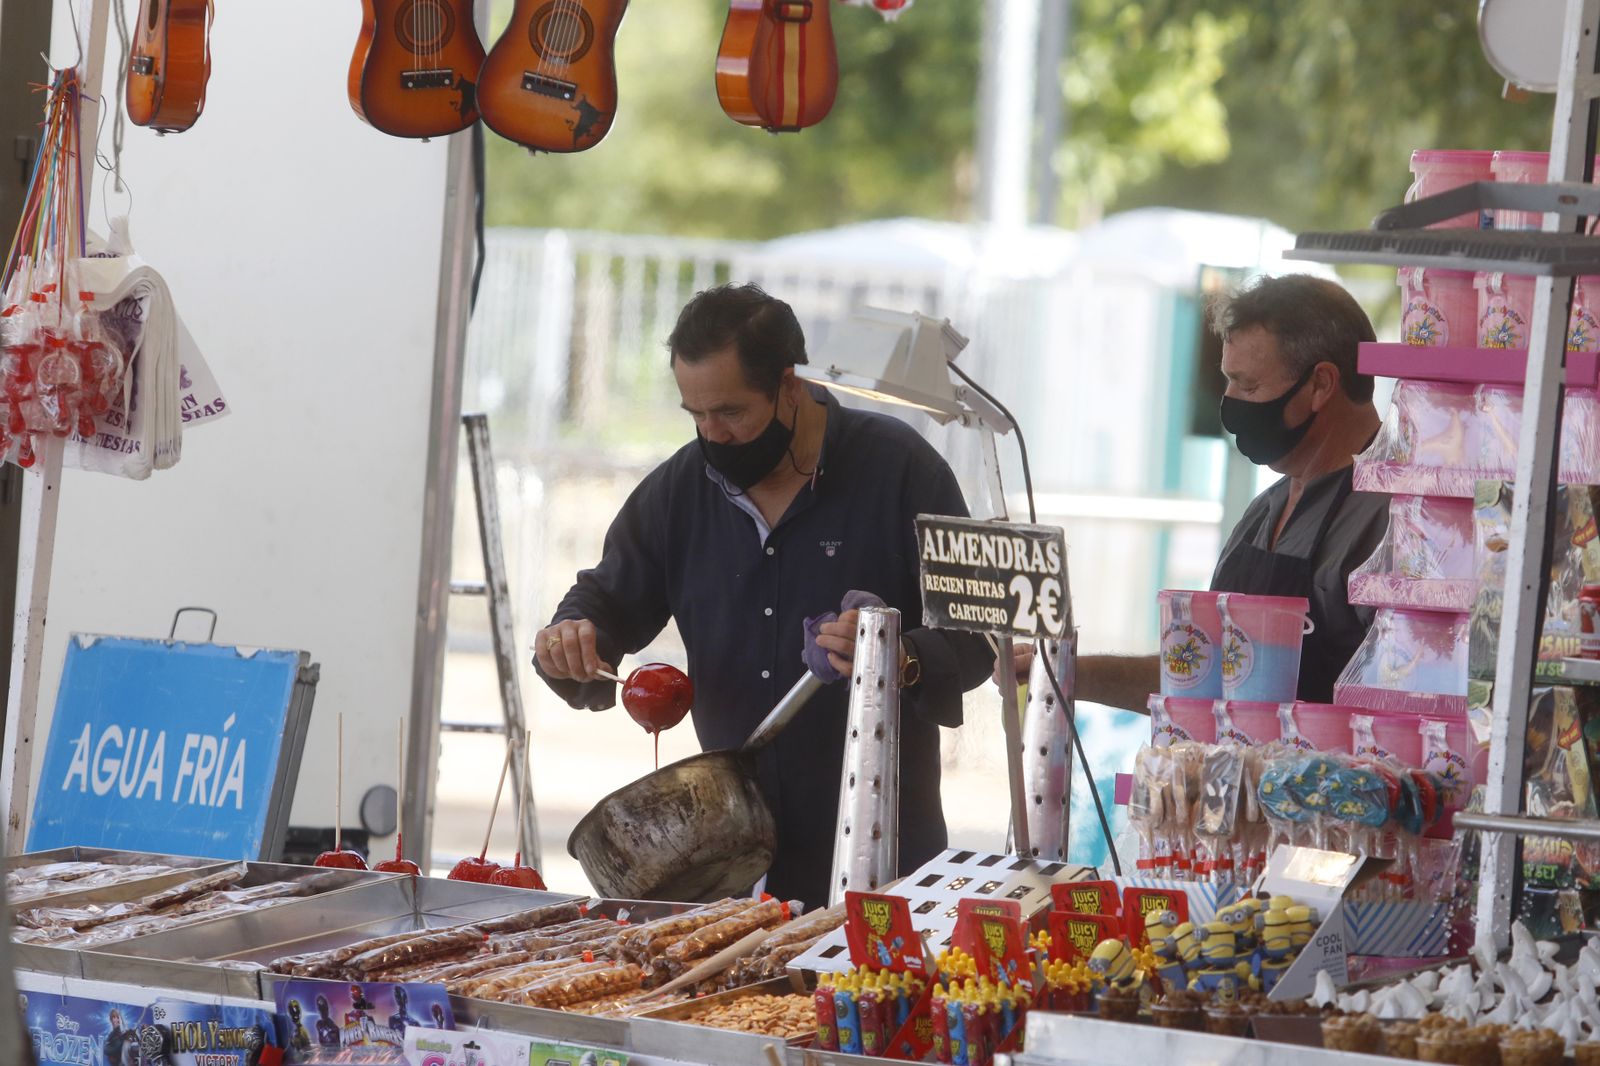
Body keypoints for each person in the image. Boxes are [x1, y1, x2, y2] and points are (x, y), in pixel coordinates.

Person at [534, 283, 994, 909]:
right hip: (726, 860)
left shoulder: (900, 469)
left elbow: (976, 638)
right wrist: (571, 636)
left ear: (789, 385)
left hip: (882, 848)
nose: (712, 435)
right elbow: (604, 603)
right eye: (694, 415)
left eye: (730, 412)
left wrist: (899, 655)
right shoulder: (680, 490)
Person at [1008, 273, 1387, 706]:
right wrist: (1067, 670)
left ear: (1321, 384)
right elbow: (1201, 672)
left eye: (1248, 386)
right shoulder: (1266, 511)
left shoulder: (1392, 521)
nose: (1232, 402)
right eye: (1229, 382)